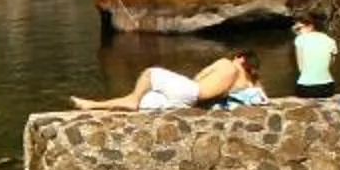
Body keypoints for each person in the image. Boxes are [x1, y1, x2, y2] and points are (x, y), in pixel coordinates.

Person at [73, 51, 259, 112]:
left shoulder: (227, 64)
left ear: (241, 58)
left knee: (151, 73)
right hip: (194, 101)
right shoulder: (245, 83)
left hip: (193, 90)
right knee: (147, 102)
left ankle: (132, 99)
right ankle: (92, 105)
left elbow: (199, 77)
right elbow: (257, 95)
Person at [292, 11, 338, 97]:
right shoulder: (331, 41)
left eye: (298, 28)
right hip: (327, 88)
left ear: (310, 26)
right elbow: (330, 64)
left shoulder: (300, 39)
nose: (296, 32)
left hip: (306, 88)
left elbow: (301, 68)